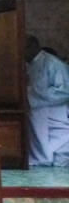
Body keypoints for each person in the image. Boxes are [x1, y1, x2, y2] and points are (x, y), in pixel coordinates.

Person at [24, 36, 69, 167]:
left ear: (32, 47)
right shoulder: (29, 65)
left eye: (23, 49)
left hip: (54, 113)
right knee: (41, 144)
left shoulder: (53, 63)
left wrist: (34, 94)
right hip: (37, 113)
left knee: (61, 146)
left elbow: (65, 90)